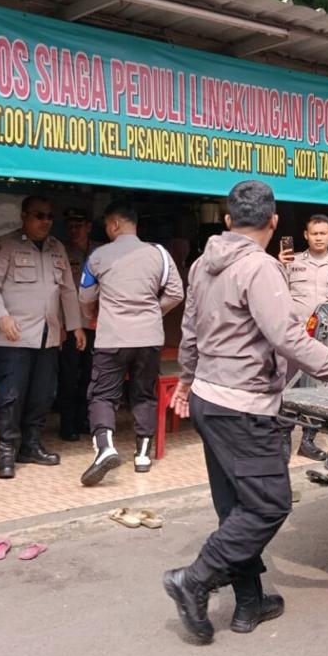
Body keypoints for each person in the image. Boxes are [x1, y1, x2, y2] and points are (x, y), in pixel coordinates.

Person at [163, 180, 328, 645]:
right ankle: (195, 580)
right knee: (269, 504)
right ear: (274, 222)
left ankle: (248, 603)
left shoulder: (202, 264)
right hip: (244, 404)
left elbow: (190, 329)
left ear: (226, 221)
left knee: (237, 506)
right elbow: (288, 338)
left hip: (209, 398)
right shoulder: (261, 269)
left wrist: (185, 380)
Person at [79, 202, 185, 483]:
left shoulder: (98, 256)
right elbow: (176, 293)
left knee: (103, 394)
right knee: (144, 394)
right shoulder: (160, 254)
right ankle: (142, 455)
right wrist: (152, 312)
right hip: (149, 338)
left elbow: (86, 297)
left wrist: (94, 316)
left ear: (114, 224)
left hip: (112, 337)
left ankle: (105, 447)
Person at [0, 195, 85, 479]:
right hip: (13, 336)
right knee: (11, 396)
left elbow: (67, 289)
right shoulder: (6, 245)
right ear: (24, 216)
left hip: (47, 334)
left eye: (49, 216)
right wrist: (1, 316)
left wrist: (75, 326)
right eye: (39, 216)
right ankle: (6, 450)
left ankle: (31, 445)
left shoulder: (56, 248)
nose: (45, 221)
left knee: (42, 394)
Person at [279, 213, 328, 461]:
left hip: (323, 340)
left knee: (317, 391)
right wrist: (279, 265)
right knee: (288, 389)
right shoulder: (292, 262)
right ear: (306, 235)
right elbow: (275, 295)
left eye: (324, 233)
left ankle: (308, 441)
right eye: (315, 233)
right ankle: (283, 439)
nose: (319, 238)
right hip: (294, 337)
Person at [57, 208, 95, 441]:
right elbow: (58, 291)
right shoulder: (60, 250)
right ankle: (67, 424)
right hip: (71, 325)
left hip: (95, 324)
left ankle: (84, 419)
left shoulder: (101, 250)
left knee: (91, 376)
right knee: (69, 376)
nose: (74, 231)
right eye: (70, 226)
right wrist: (61, 324)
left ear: (88, 227)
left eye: (78, 226)